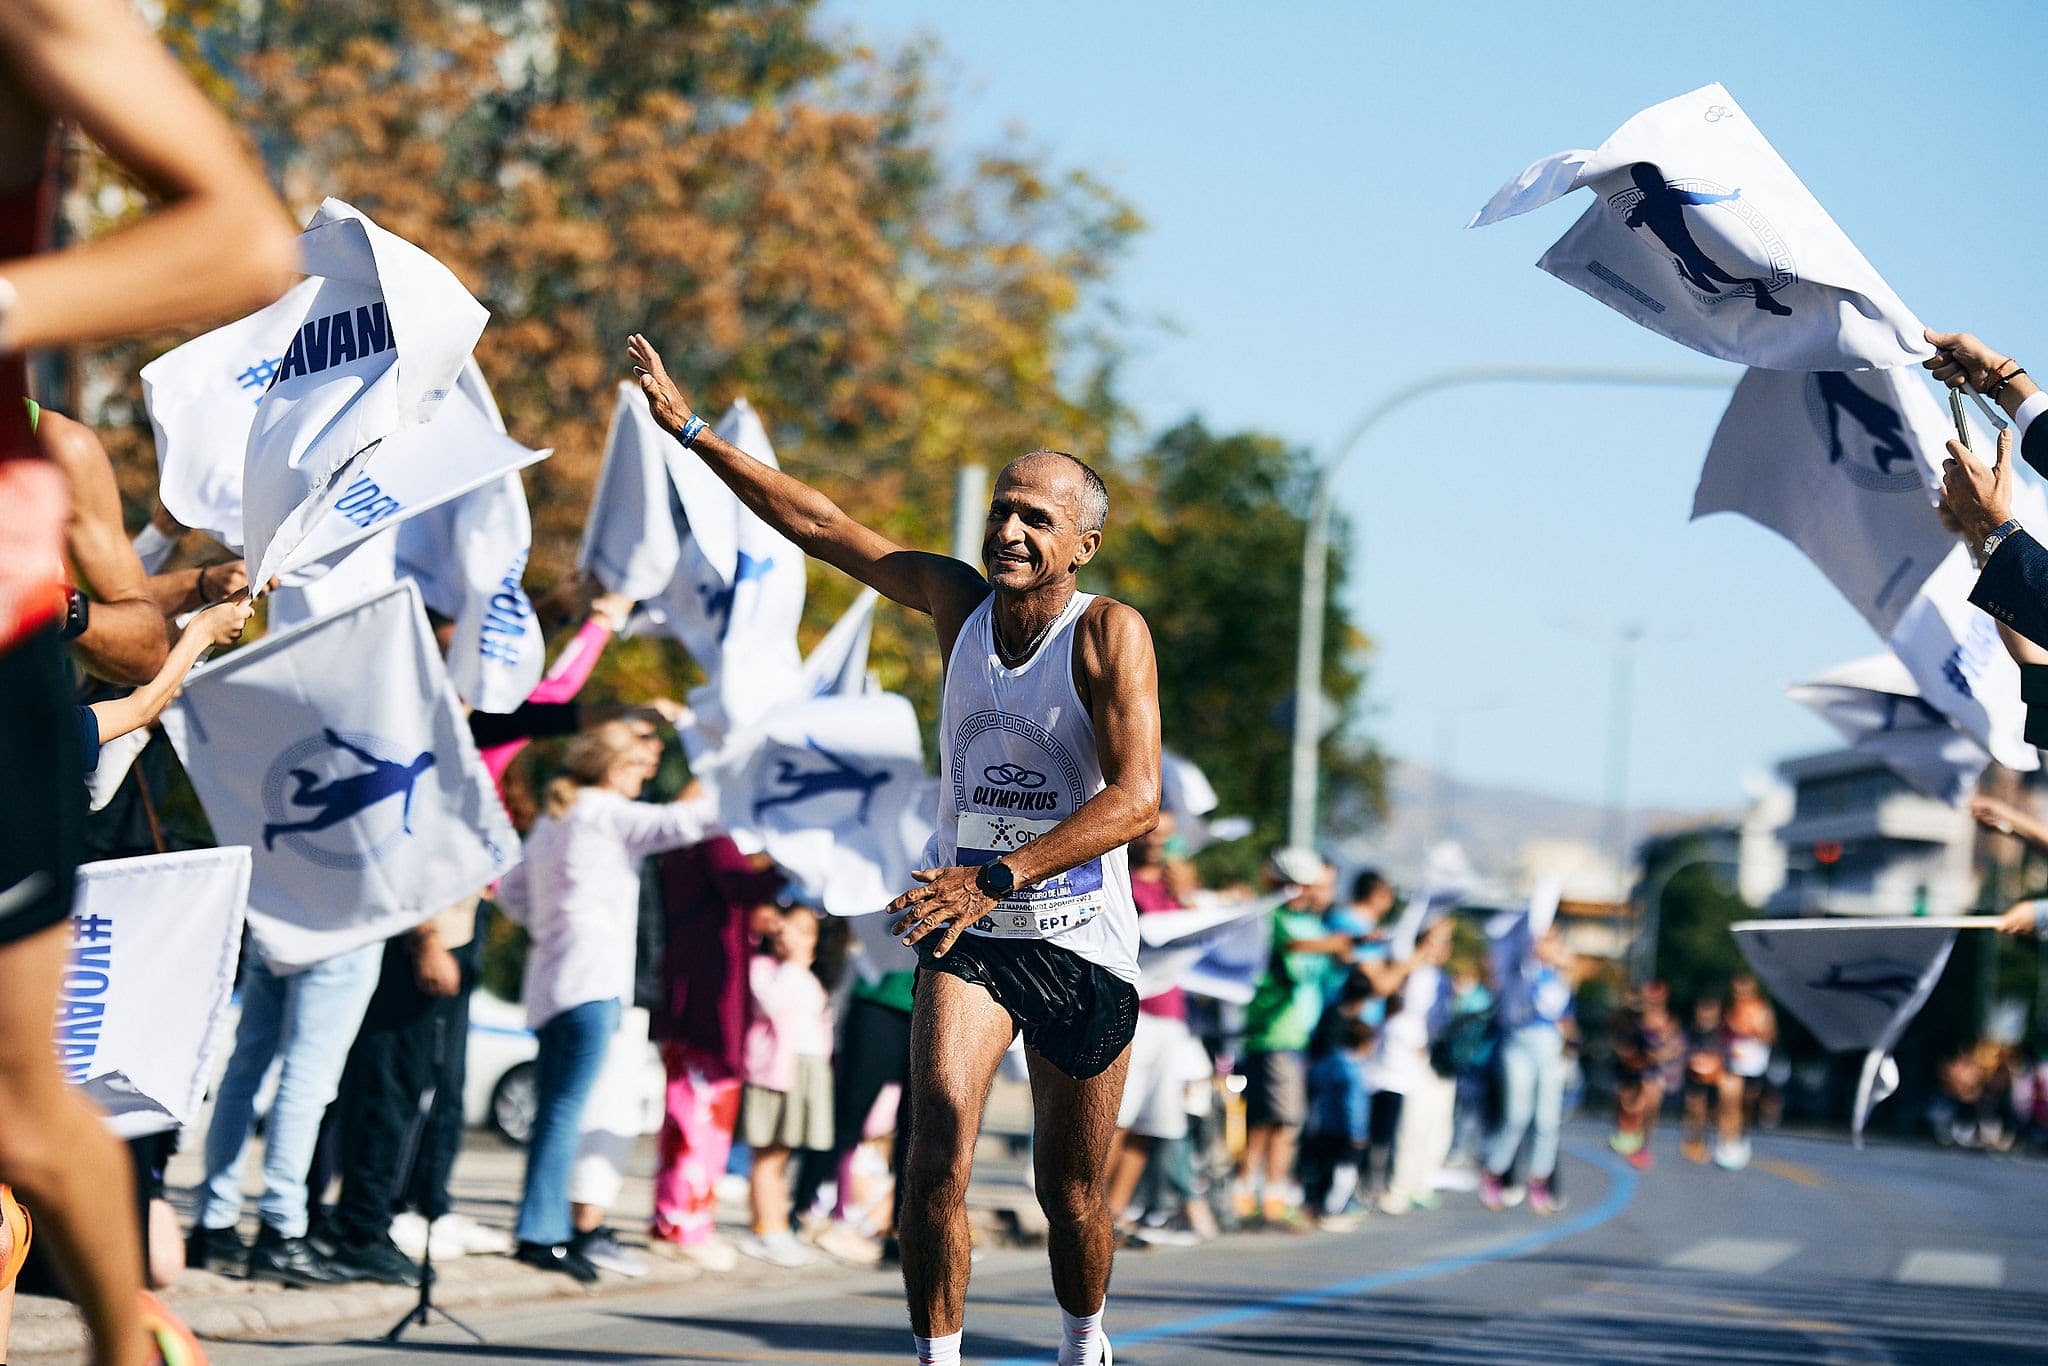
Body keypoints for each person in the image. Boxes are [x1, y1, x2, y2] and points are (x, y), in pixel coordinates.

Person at [630, 333, 1161, 1366]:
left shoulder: (1106, 634)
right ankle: (937, 1357)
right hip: (969, 934)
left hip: (1077, 935)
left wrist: (994, 872)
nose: (1008, 528)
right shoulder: (956, 602)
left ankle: (1083, 1340)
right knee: (934, 1156)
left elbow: (1136, 799)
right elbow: (820, 524)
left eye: (1035, 518)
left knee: (1072, 1193)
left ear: (1081, 545)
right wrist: (693, 433)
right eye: (1001, 510)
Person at [493, 721, 717, 1281]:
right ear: (614, 768)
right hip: (593, 980)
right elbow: (684, 822)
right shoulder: (602, 810)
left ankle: (538, 1226)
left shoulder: (555, 818)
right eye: (639, 768)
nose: (645, 776)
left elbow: (512, 892)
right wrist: (728, 772)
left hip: (551, 979)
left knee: (554, 1110)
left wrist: (554, 922)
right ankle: (541, 1234)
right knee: (567, 1110)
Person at [646, 836, 783, 1272]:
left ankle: (693, 1222)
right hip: (702, 1003)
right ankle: (676, 1223)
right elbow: (742, 886)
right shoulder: (706, 833)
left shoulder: (706, 834)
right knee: (693, 1113)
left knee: (709, 1116)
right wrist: (790, 860)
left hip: (713, 1004)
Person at [1232, 849, 1351, 1228]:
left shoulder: (1312, 924)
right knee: (1277, 1120)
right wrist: (1335, 945)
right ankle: (1256, 1195)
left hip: (1295, 1034)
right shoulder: (1275, 918)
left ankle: (1266, 1194)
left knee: (1277, 1121)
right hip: (1272, 1032)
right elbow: (1288, 947)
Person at [1102, 814, 1203, 1243]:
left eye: (1167, 833)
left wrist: (1187, 897)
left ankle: (1117, 1211)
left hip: (1170, 1014)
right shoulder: (1121, 880)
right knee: (1119, 1117)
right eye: (1153, 830)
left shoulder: (1173, 889)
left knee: (1152, 1119)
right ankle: (1091, 1209)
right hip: (1133, 1008)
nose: (1160, 839)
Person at [738, 907, 835, 1269]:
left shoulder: (811, 978)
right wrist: (794, 964)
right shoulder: (767, 970)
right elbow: (773, 1006)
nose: (789, 935)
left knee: (783, 1155)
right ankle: (766, 1228)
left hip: (804, 1071)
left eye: (801, 930)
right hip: (775, 1072)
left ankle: (776, 1225)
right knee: (768, 1154)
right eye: (786, 928)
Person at [1479, 922, 1574, 1214]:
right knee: (1516, 1116)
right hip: (1518, 1043)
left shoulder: (1558, 975)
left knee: (1547, 1120)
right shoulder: (1518, 970)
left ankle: (1539, 1180)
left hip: (1549, 1044)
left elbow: (1564, 1013)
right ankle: (1494, 1171)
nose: (1549, 945)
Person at [1375, 917, 1457, 1214]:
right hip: (1412, 1060)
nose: (1440, 949)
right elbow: (1400, 1016)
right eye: (1435, 941)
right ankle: (1400, 1187)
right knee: (1413, 1126)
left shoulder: (1444, 978)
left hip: (1440, 1062)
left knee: (1438, 1125)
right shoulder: (1410, 973)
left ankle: (1423, 1183)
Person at [1300, 1016, 1377, 1230]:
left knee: (1324, 1170)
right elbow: (1354, 1105)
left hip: (1323, 1126)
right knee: (1345, 1173)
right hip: (1345, 1130)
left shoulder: (1327, 1062)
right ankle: (1334, 1211)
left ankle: (1318, 1206)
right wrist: (1357, 1132)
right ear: (1365, 1043)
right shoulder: (1352, 1070)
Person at [1719, 974, 1775, 1170]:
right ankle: (1727, 1144)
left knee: (1746, 1106)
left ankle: (1740, 1135)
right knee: (1729, 1104)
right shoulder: (1728, 1009)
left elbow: (1771, 1036)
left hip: (1755, 1064)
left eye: (1744, 991)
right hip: (1732, 1063)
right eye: (1736, 991)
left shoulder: (1762, 1010)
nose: (1740, 995)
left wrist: (1751, 1030)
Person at [1678, 995, 1730, 1166]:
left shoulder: (1724, 1032)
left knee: (1715, 1110)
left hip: (1716, 1076)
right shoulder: (1691, 1030)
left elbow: (1730, 1052)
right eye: (1703, 1010)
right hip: (1694, 1074)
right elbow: (1682, 1049)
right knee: (1695, 1108)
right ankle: (1697, 1140)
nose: (1706, 1015)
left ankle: (1722, 1142)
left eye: (1711, 1010)